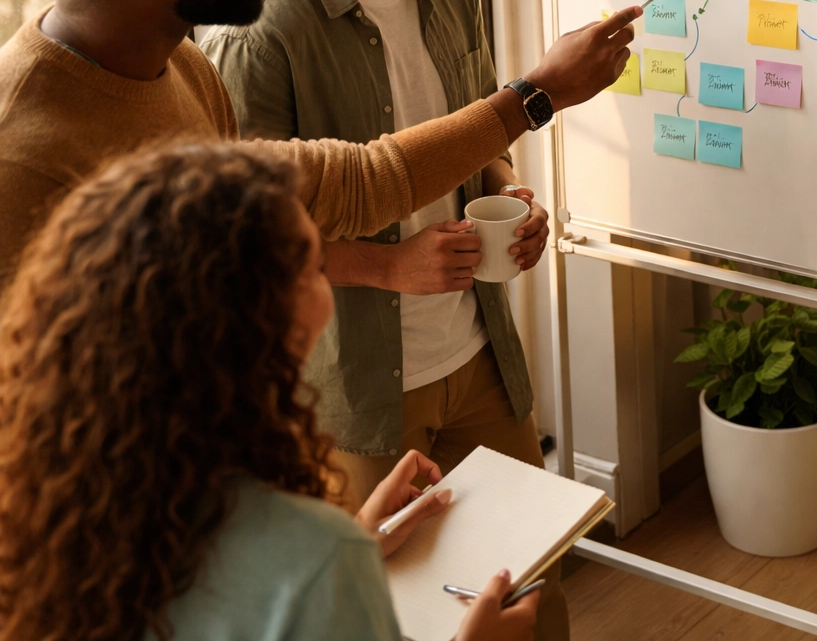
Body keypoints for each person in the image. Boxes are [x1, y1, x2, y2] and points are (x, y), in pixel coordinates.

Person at [202, 0, 566, 636]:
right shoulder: (265, 35)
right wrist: (390, 264)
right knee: (394, 617)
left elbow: (481, 145)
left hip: (481, 357)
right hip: (362, 392)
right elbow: (247, 241)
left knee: (532, 593)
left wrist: (512, 198)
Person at [0, 0, 638, 282]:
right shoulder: (22, 158)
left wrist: (535, 98)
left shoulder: (180, 66)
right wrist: (535, 95)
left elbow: (355, 182)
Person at [0, 142, 537, 641]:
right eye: (310, 262)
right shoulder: (317, 562)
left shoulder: (56, 523)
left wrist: (355, 544)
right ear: (255, 326)